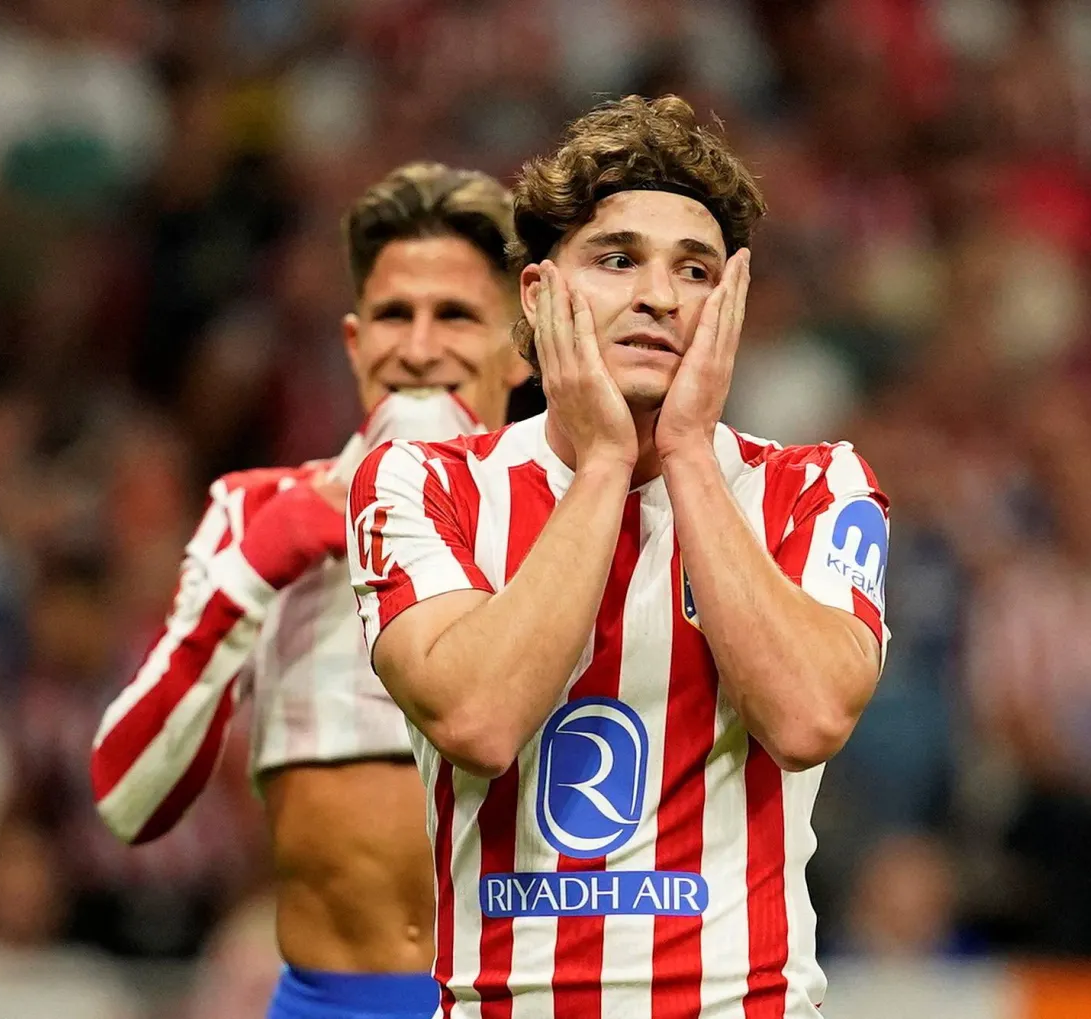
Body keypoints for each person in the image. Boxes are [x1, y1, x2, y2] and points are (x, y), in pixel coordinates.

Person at [347, 96, 889, 1017]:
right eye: (617, 259)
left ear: (731, 305)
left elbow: (807, 718)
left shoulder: (815, 486)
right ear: (537, 295)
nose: (659, 296)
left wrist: (685, 453)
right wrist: (604, 463)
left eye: (695, 270)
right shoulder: (419, 484)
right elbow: (478, 718)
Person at [90, 162, 527, 1019]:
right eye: (395, 315)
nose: (419, 346)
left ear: (520, 347)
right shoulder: (253, 512)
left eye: (455, 315)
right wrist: (253, 572)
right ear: (354, 344)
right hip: (330, 1001)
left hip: (531, 996)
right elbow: (126, 800)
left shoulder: (575, 517)